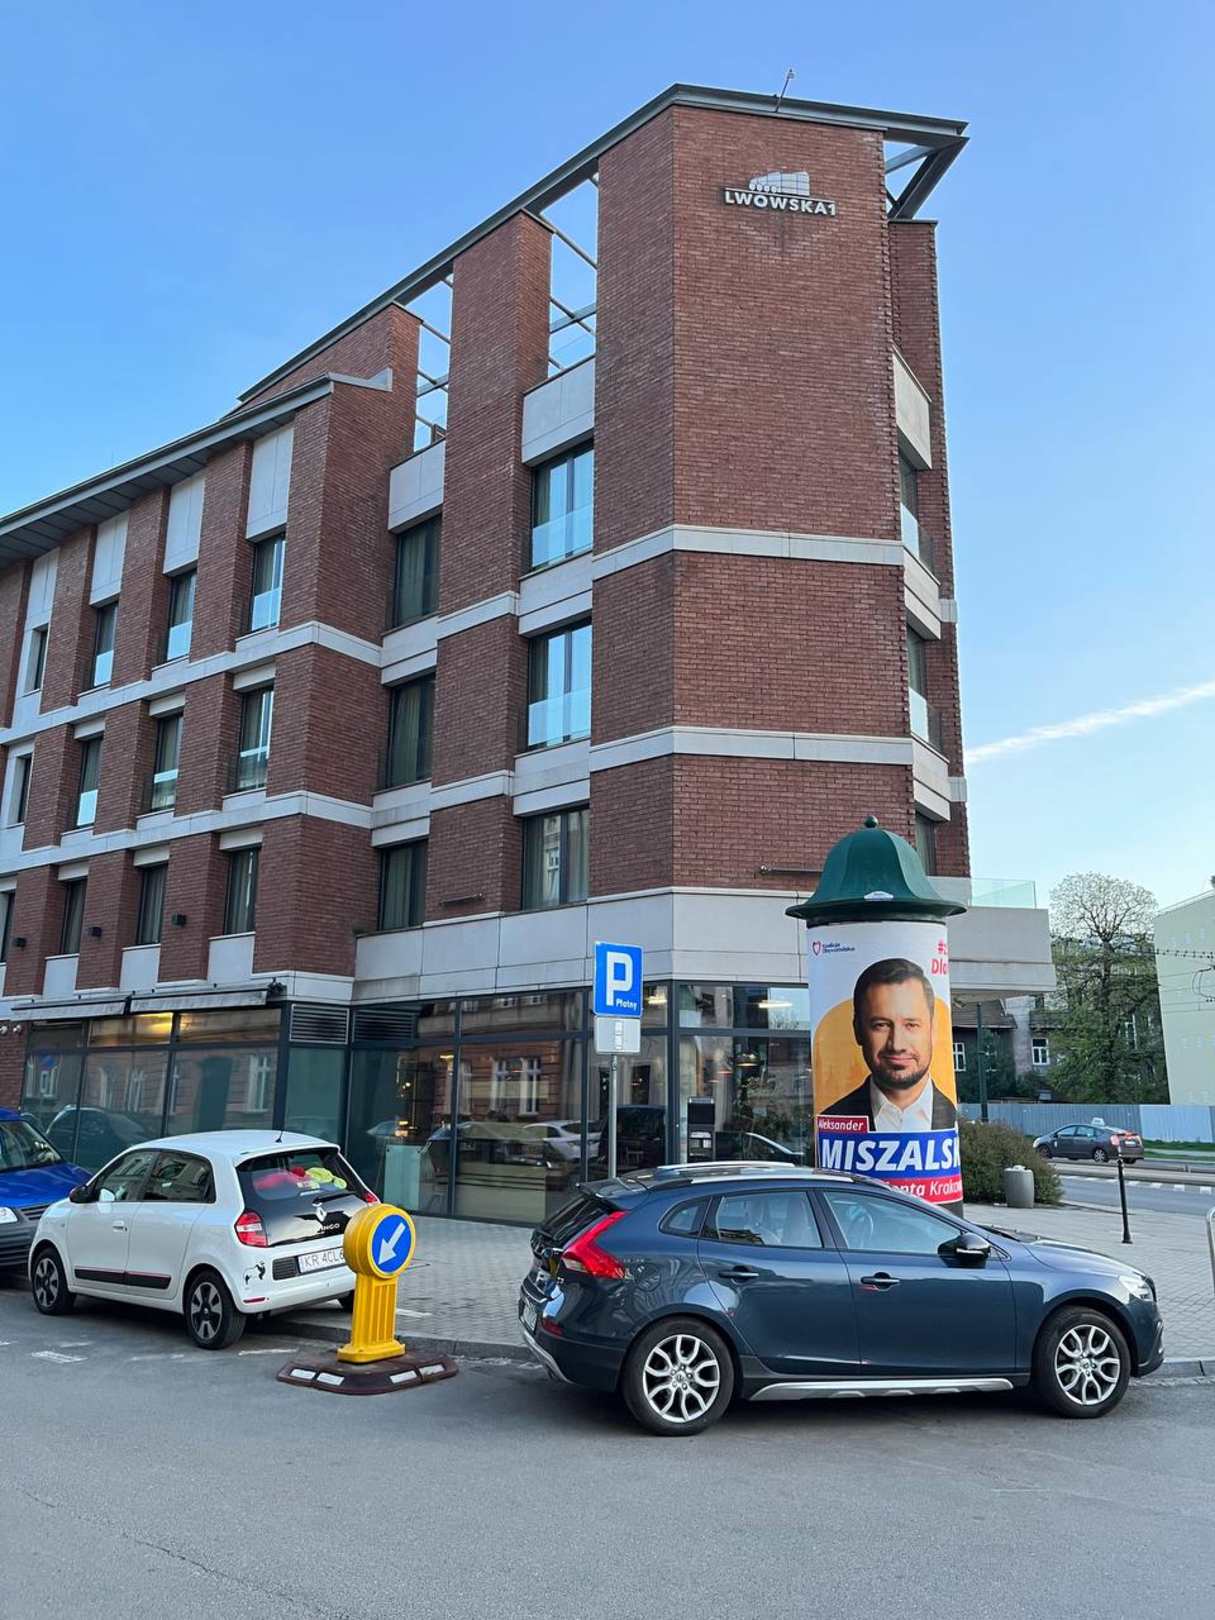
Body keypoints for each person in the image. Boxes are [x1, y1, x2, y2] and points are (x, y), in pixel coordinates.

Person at [821, 957, 957, 1131]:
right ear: (858, 1030)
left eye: (911, 1025)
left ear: (933, 1030)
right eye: (881, 1025)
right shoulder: (833, 1118)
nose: (897, 1045)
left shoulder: (956, 1119)